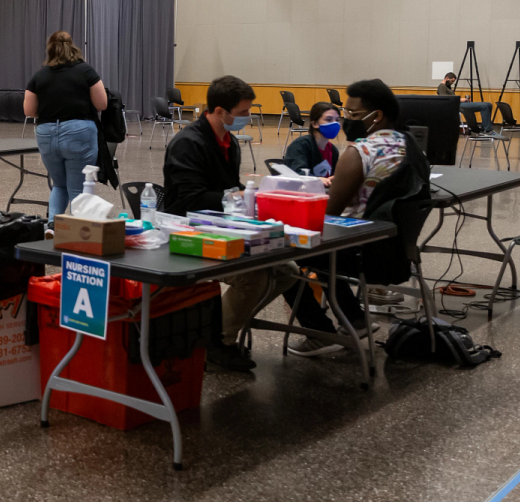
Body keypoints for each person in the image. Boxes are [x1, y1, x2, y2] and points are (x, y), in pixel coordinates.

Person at [162, 75, 297, 372]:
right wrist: (235, 195)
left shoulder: (229, 143)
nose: (248, 118)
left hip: (220, 225)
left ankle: (217, 327)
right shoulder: (188, 144)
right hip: (185, 229)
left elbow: (229, 191)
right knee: (253, 277)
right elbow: (188, 200)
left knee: (288, 271)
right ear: (220, 111)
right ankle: (218, 341)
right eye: (243, 112)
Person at [284, 79, 407, 357]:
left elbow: (327, 217)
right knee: (325, 251)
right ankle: (355, 319)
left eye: (351, 115)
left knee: (284, 257)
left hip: (359, 251)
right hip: (392, 247)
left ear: (376, 116)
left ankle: (319, 332)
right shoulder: (407, 145)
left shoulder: (358, 152)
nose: (346, 121)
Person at [24, 31, 107, 222]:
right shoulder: (85, 71)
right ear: (72, 46)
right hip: (79, 132)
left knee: (59, 185)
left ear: (50, 48)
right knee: (78, 188)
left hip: (46, 134)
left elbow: (29, 110)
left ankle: (52, 229)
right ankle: (77, 236)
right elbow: (102, 104)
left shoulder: (39, 75)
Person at [281, 102, 341, 185]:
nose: (335, 123)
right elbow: (296, 173)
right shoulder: (300, 145)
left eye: (337, 120)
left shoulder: (333, 150)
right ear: (315, 124)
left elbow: (332, 175)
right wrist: (316, 180)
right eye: (328, 119)